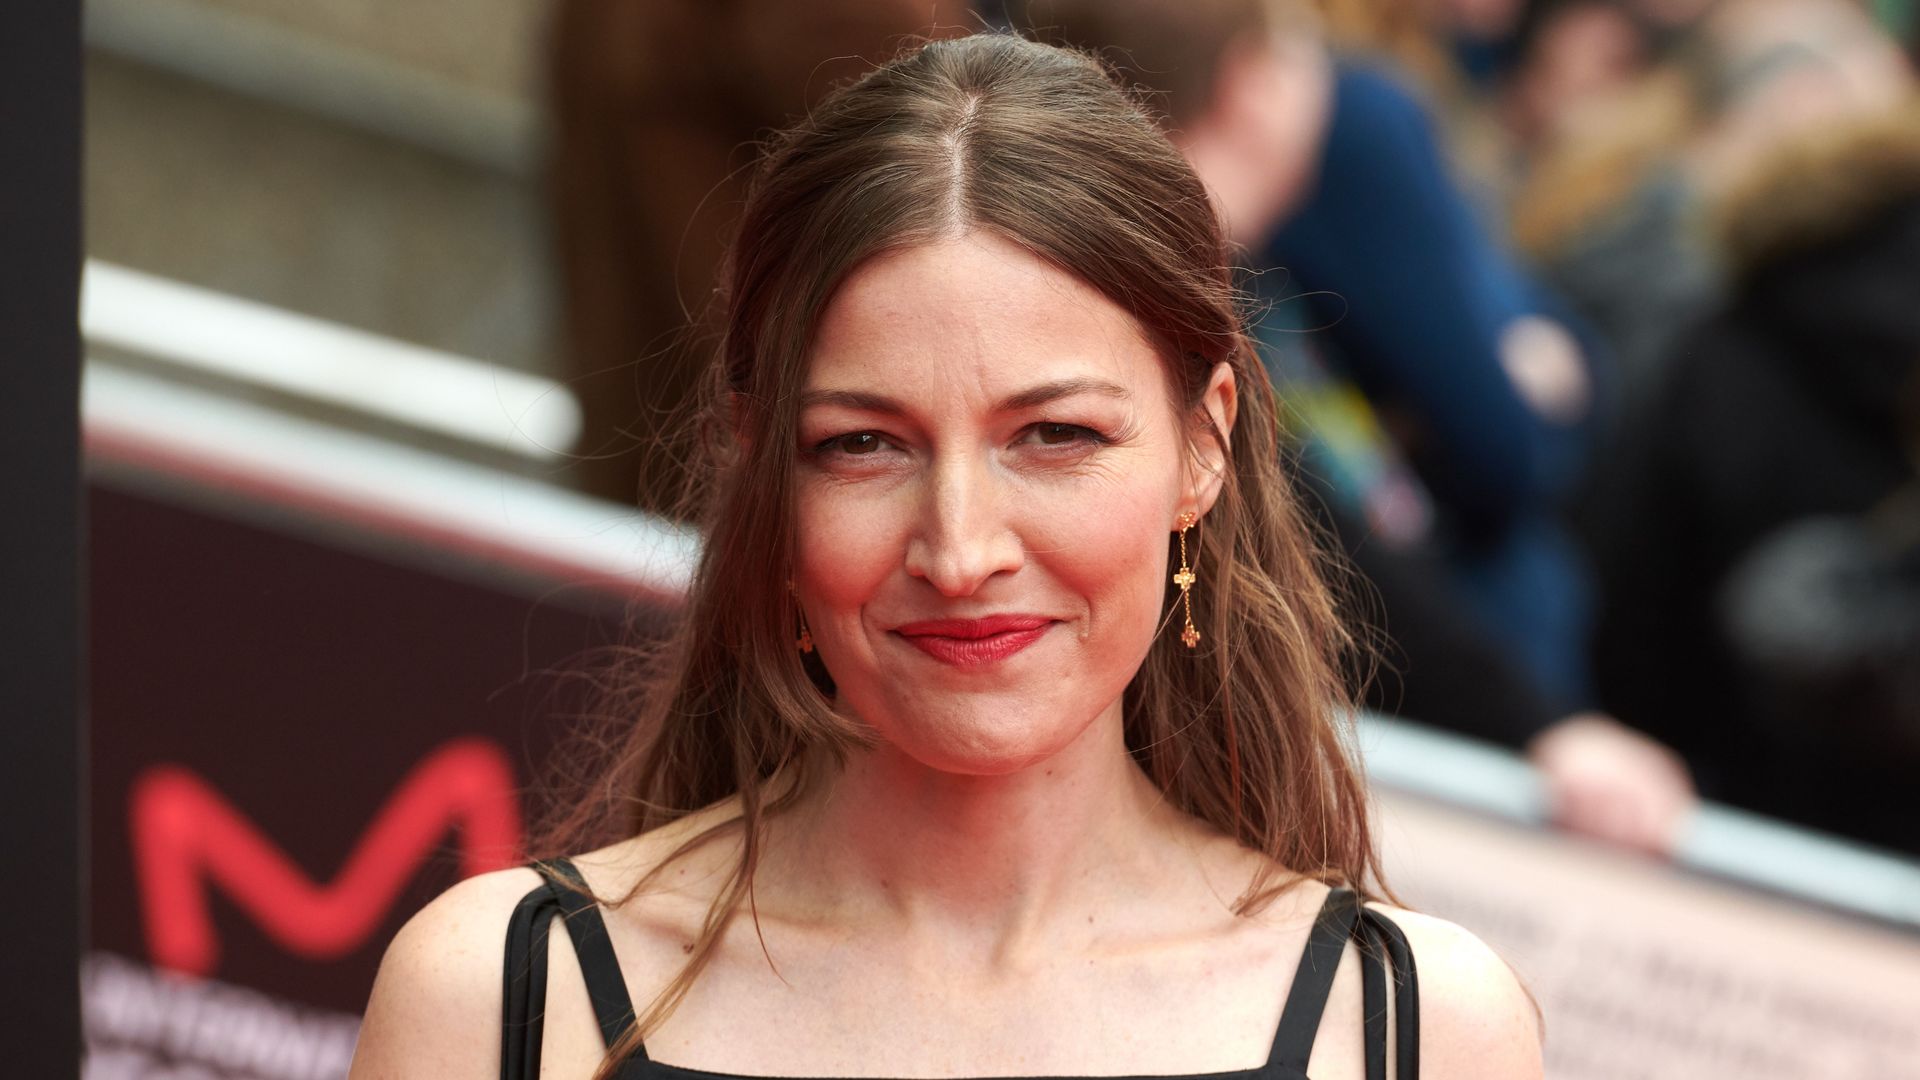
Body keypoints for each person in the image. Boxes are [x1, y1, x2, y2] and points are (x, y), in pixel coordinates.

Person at [349, 34, 1543, 1079]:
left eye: (1055, 436)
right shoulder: (503, 999)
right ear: (761, 468)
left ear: (1203, 447)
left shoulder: (1413, 1029)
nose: (960, 550)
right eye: (864, 445)